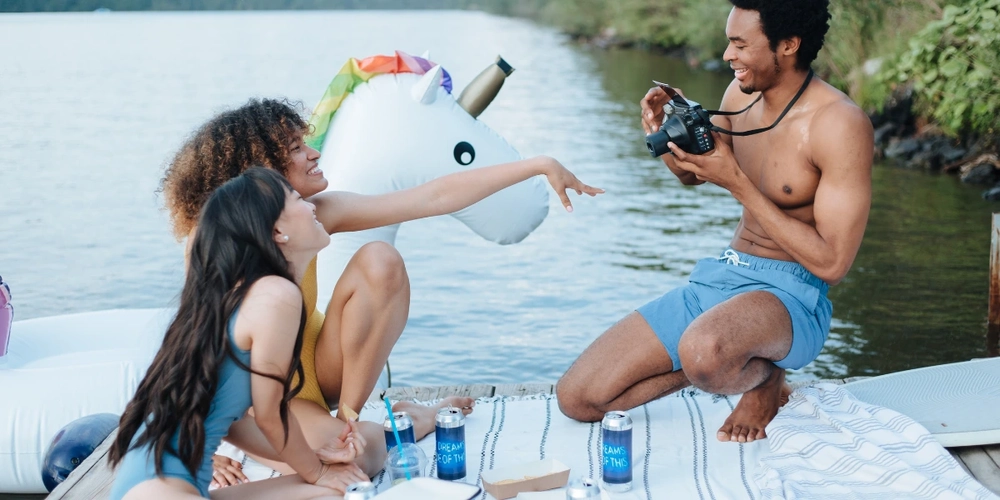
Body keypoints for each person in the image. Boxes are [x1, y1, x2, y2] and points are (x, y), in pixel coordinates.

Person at [160, 99, 603, 484]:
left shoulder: (316, 212)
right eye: (296, 149)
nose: (314, 153)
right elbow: (188, 349)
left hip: (316, 366)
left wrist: (538, 165)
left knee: (380, 260)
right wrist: (204, 444)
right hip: (264, 403)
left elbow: (433, 197)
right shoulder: (212, 247)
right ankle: (418, 419)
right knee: (355, 461)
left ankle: (350, 418)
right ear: (260, 170)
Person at [556, 0, 873, 444]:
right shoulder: (738, 95)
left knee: (703, 351)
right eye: (729, 42)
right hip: (724, 275)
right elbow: (694, 174)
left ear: (787, 45)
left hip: (792, 296)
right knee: (578, 398)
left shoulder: (839, 124)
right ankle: (733, 364)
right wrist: (662, 138)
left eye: (740, 44)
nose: (728, 55)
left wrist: (740, 185)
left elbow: (833, 264)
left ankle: (765, 378)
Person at [109, 168, 369, 499]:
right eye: (298, 199)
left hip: (150, 482)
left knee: (345, 482)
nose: (313, 207)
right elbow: (270, 415)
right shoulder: (276, 295)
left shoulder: (240, 296)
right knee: (337, 485)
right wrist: (316, 471)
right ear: (277, 230)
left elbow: (234, 423)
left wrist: (317, 462)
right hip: (164, 490)